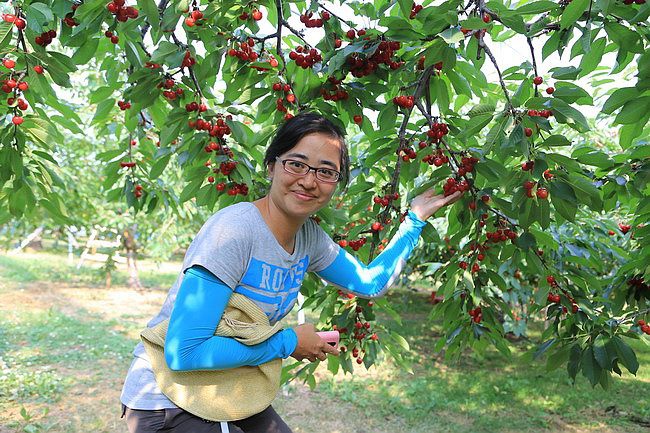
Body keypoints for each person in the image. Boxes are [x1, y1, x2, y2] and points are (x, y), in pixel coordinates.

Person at [119, 112, 463, 432]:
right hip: (166, 400)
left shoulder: (309, 238)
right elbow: (184, 353)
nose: (309, 181)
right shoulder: (235, 232)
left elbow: (369, 283)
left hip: (222, 389)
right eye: (297, 164)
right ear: (272, 166)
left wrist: (415, 220)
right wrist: (289, 342)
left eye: (326, 171)